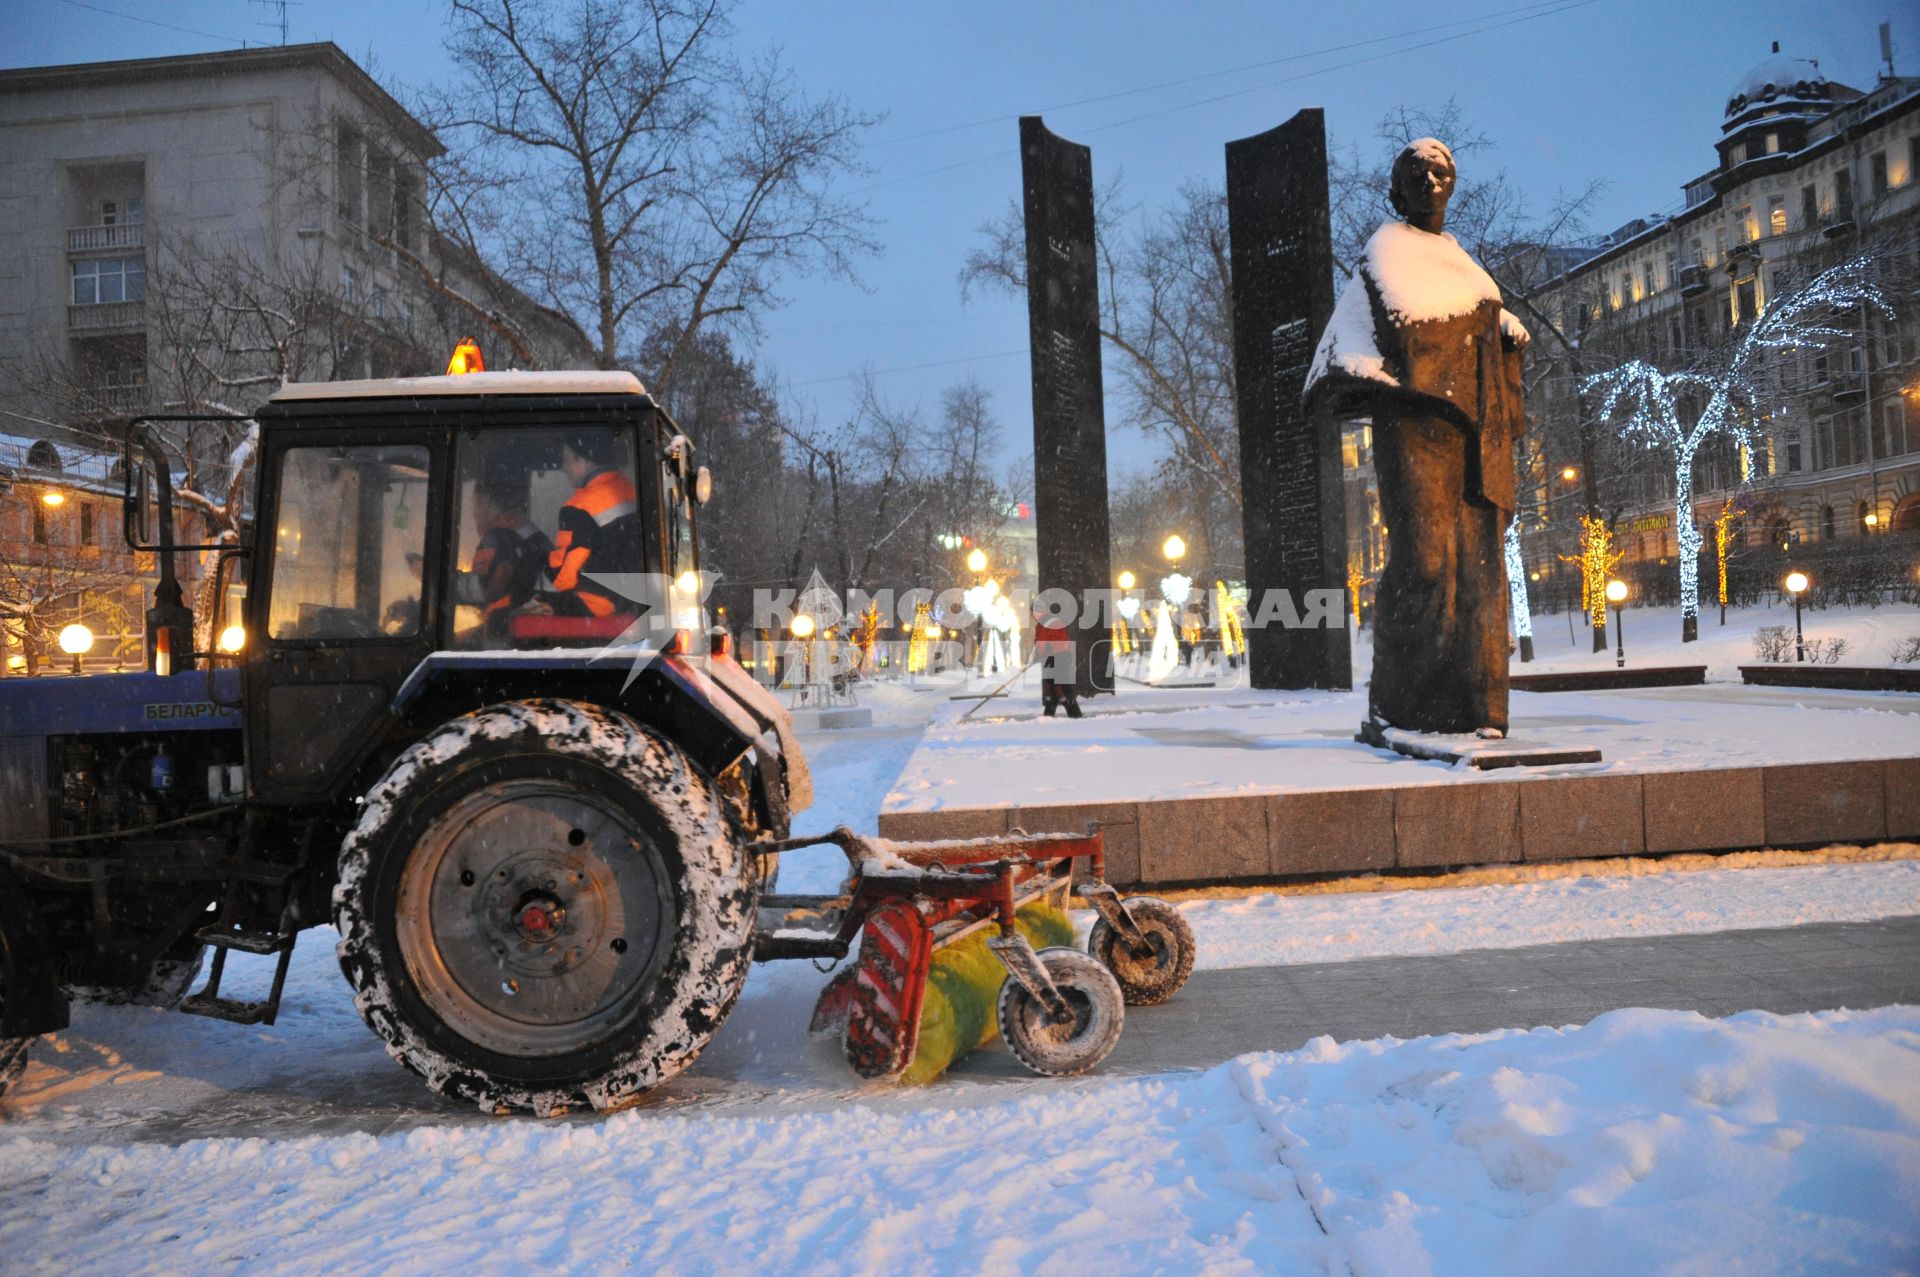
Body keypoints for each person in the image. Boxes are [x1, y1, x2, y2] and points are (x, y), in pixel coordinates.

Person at [1303, 137, 1527, 737]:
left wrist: (1502, 331)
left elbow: (1479, 317)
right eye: (1420, 174)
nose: (1432, 183)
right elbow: (1351, 349)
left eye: (1441, 173)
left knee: (1479, 570)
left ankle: (1476, 707)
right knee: (1425, 563)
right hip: (1417, 432)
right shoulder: (1385, 253)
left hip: (1478, 437)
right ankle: (1402, 705)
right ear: (1397, 189)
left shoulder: (1459, 259)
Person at [538, 431, 643, 620]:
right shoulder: (632, 491)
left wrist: (539, 590)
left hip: (596, 604)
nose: (564, 468)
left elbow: (565, 575)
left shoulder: (580, 507)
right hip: (633, 601)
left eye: (566, 460)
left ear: (585, 460)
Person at [456, 479, 550, 643]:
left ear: (485, 502)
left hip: (508, 627)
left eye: (474, 503)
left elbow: (485, 587)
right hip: (536, 616)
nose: (473, 512)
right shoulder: (523, 528)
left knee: (457, 642)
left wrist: (439, 583)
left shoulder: (496, 535)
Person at [1031, 607, 1082, 719]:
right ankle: (1050, 714)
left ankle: (1074, 714)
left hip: (1057, 657)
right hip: (1057, 656)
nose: (1032, 616)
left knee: (1061, 686)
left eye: (1032, 613)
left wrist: (1039, 654)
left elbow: (1042, 642)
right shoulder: (1049, 621)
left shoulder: (1046, 622)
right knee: (1054, 686)